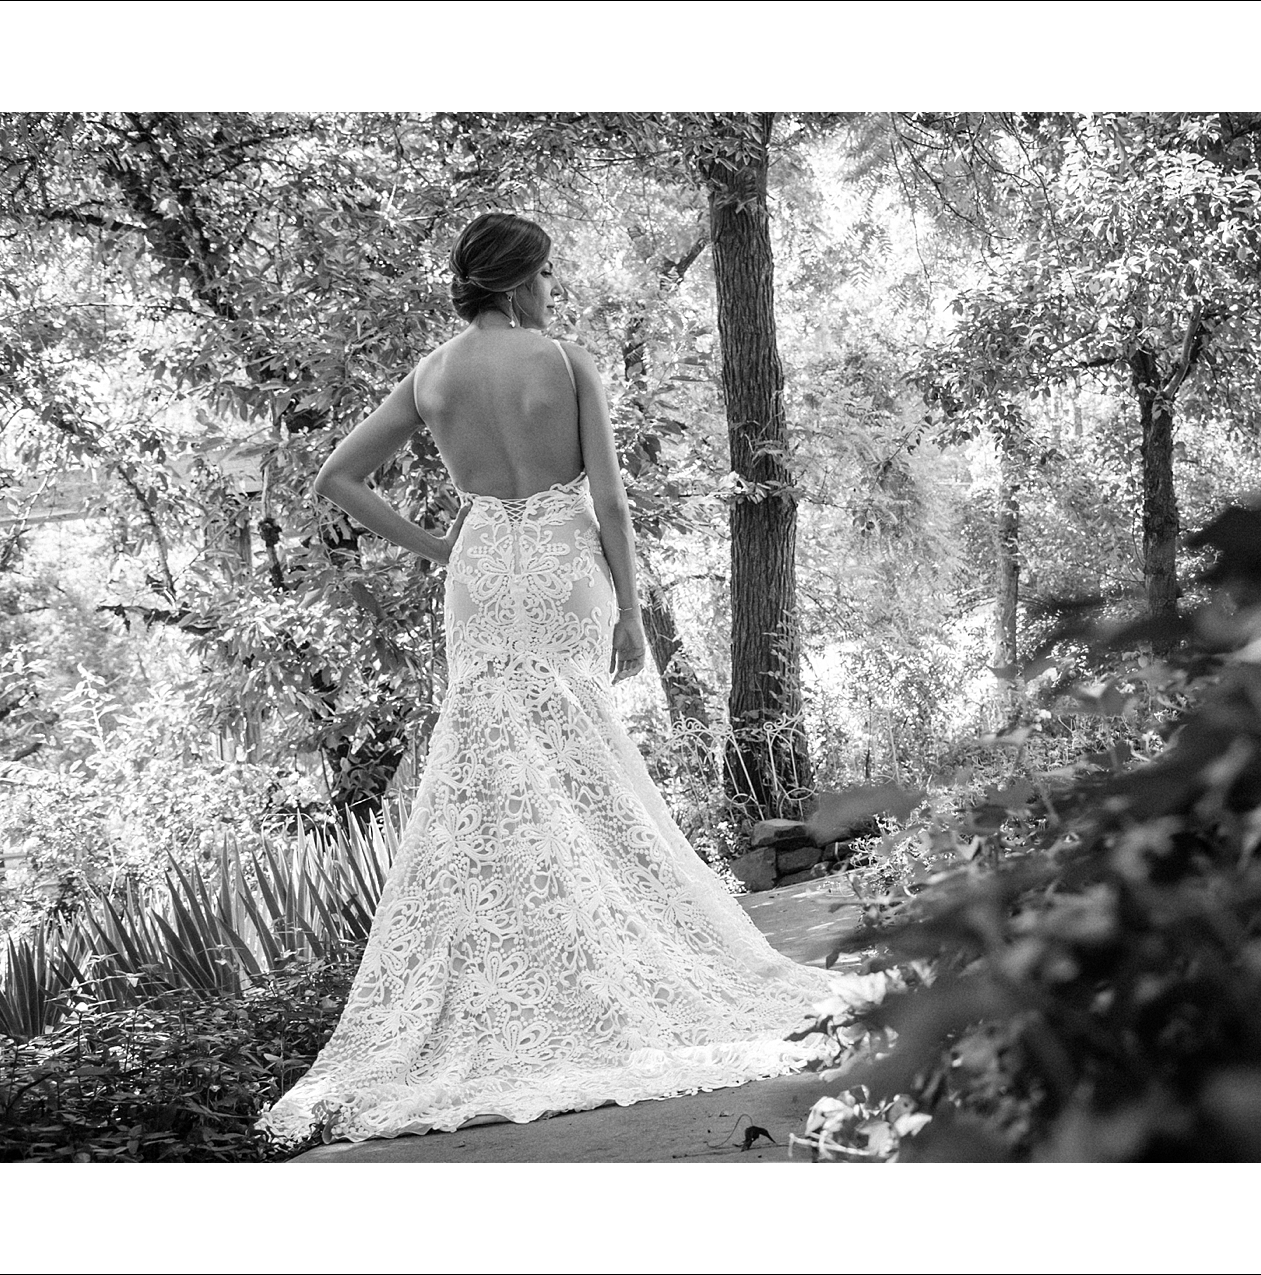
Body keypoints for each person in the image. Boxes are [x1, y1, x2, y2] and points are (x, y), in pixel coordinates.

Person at [256, 212, 838, 1145]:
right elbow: (607, 495)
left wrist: (442, 541)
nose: (551, 288)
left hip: (481, 569)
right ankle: (600, 952)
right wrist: (636, 614)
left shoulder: (433, 375)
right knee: (580, 747)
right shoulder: (564, 362)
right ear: (522, 277)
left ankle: (520, 969)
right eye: (548, 273)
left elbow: (338, 476)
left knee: (486, 761)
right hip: (567, 566)